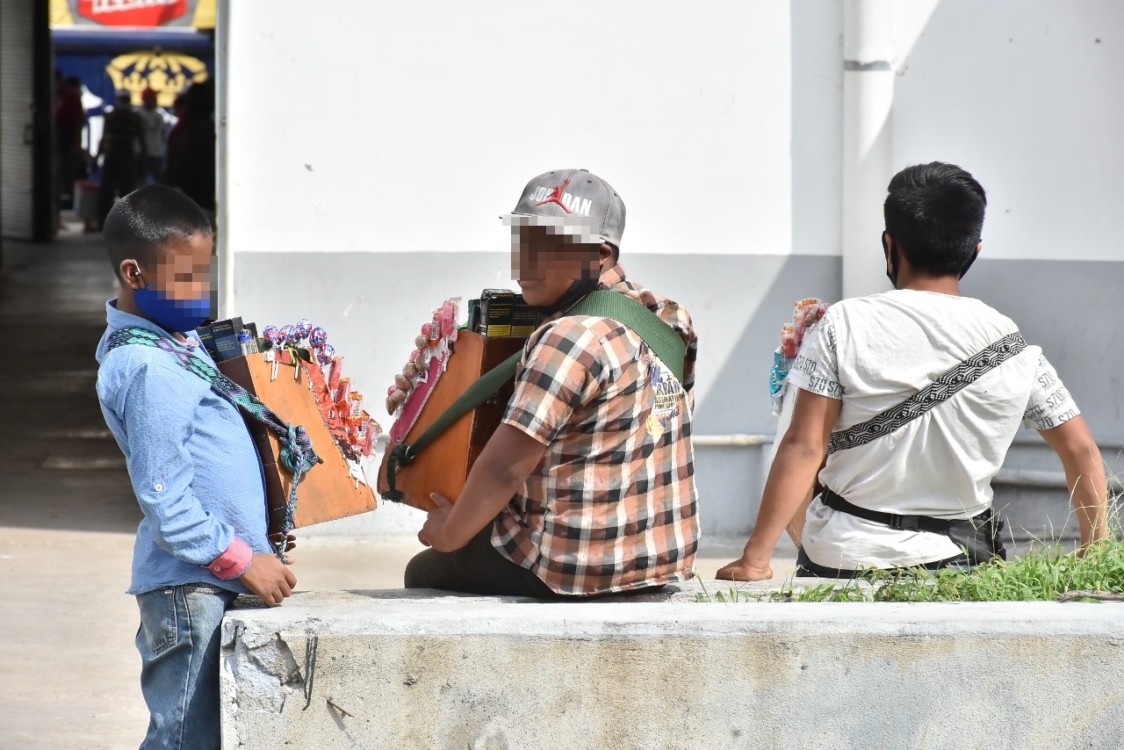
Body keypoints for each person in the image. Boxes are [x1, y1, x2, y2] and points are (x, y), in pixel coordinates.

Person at [717, 161, 1109, 581]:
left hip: (843, 559)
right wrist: (1095, 550)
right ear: (974, 251)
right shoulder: (1012, 345)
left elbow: (804, 447)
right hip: (960, 568)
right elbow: (1081, 449)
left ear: (890, 246)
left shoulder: (843, 324)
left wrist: (755, 559)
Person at [399, 168, 701, 597]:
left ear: (600, 254)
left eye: (549, 247)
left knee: (424, 571)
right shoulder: (669, 319)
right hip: (663, 557)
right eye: (522, 241)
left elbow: (506, 465)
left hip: (572, 566)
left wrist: (449, 533)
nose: (525, 263)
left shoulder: (568, 337)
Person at [95, 185, 296, 748]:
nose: (200, 291)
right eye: (185, 277)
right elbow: (166, 500)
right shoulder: (147, 366)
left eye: (204, 273)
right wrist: (240, 561)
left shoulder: (177, 347)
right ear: (134, 273)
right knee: (183, 738)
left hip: (209, 580)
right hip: (191, 587)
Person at [96, 91, 147, 229]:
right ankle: (103, 222)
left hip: (126, 159)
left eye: (125, 99)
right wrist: (97, 157)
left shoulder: (135, 118)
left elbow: (142, 140)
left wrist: (143, 159)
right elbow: (103, 138)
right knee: (107, 191)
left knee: (126, 192)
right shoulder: (110, 116)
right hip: (112, 159)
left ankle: (126, 224)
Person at [136, 87, 171, 184]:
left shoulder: (159, 116)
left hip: (156, 154)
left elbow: (162, 134)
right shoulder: (137, 115)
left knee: (159, 185)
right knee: (139, 185)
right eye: (153, 97)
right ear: (146, 99)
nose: (156, 100)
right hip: (141, 155)